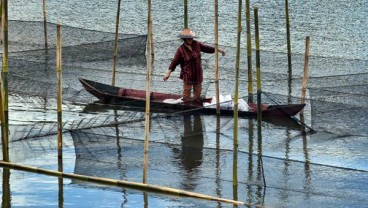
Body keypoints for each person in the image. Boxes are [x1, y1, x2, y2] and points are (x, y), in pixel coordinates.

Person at [163, 28, 225, 103]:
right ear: (185, 39)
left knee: (197, 95)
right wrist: (168, 73)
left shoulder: (196, 44)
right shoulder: (181, 50)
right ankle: (186, 109)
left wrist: (218, 49)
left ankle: (196, 110)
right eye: (189, 38)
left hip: (198, 74)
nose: (191, 39)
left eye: (191, 37)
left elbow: (207, 48)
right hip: (188, 75)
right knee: (186, 95)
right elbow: (174, 62)